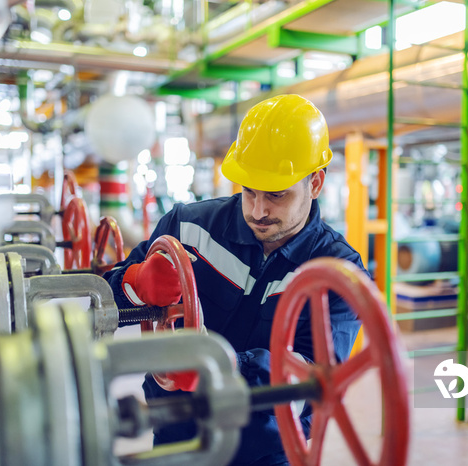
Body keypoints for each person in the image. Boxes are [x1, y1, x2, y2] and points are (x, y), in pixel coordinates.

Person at [104, 94, 367, 465]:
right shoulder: (188, 227)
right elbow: (105, 302)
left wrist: (216, 368)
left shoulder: (338, 272)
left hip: (267, 449)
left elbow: (314, 382)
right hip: (175, 431)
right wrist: (135, 284)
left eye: (277, 194)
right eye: (249, 190)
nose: (258, 210)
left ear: (316, 183)